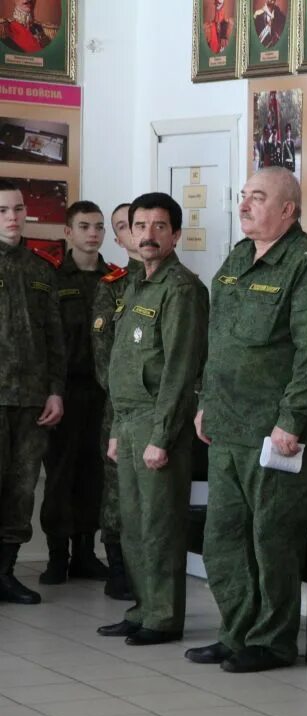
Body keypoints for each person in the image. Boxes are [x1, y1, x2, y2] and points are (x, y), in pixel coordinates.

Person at [190, 167, 307, 673]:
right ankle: (236, 632)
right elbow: (222, 343)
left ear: (288, 210)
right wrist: (205, 401)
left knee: (272, 539)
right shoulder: (238, 257)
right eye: (243, 196)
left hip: (276, 434)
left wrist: (293, 420)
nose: (245, 205)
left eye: (258, 198)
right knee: (224, 538)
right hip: (228, 425)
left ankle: (273, 641)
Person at [97, 193, 208, 646]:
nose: (147, 235)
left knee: (160, 524)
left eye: (159, 226)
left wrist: (161, 437)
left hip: (160, 424)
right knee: (134, 523)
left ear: (175, 234)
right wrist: (118, 430)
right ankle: (143, 607)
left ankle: (163, 617)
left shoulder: (182, 289)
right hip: (129, 420)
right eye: (140, 225)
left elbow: (180, 370)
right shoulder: (135, 285)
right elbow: (127, 364)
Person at [38, 201, 115, 585]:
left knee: (94, 473)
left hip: (101, 391)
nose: (93, 234)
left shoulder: (115, 279)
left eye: (99, 227)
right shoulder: (51, 276)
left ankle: (86, 553)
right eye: (84, 226)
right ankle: (56, 556)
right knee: (59, 473)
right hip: (63, 389)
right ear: (68, 232)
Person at [0, 178, 64, 604]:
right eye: (3, 210)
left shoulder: (41, 268)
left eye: (18, 209)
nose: (12, 217)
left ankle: (4, 573)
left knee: (21, 490)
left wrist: (55, 391)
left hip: (31, 399)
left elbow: (55, 339)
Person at [90, 203, 142, 601]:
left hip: (163, 407)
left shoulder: (182, 284)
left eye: (143, 224)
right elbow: (103, 355)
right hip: (121, 406)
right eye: (126, 227)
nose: (138, 233)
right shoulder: (111, 286)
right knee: (116, 489)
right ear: (119, 238)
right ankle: (119, 567)